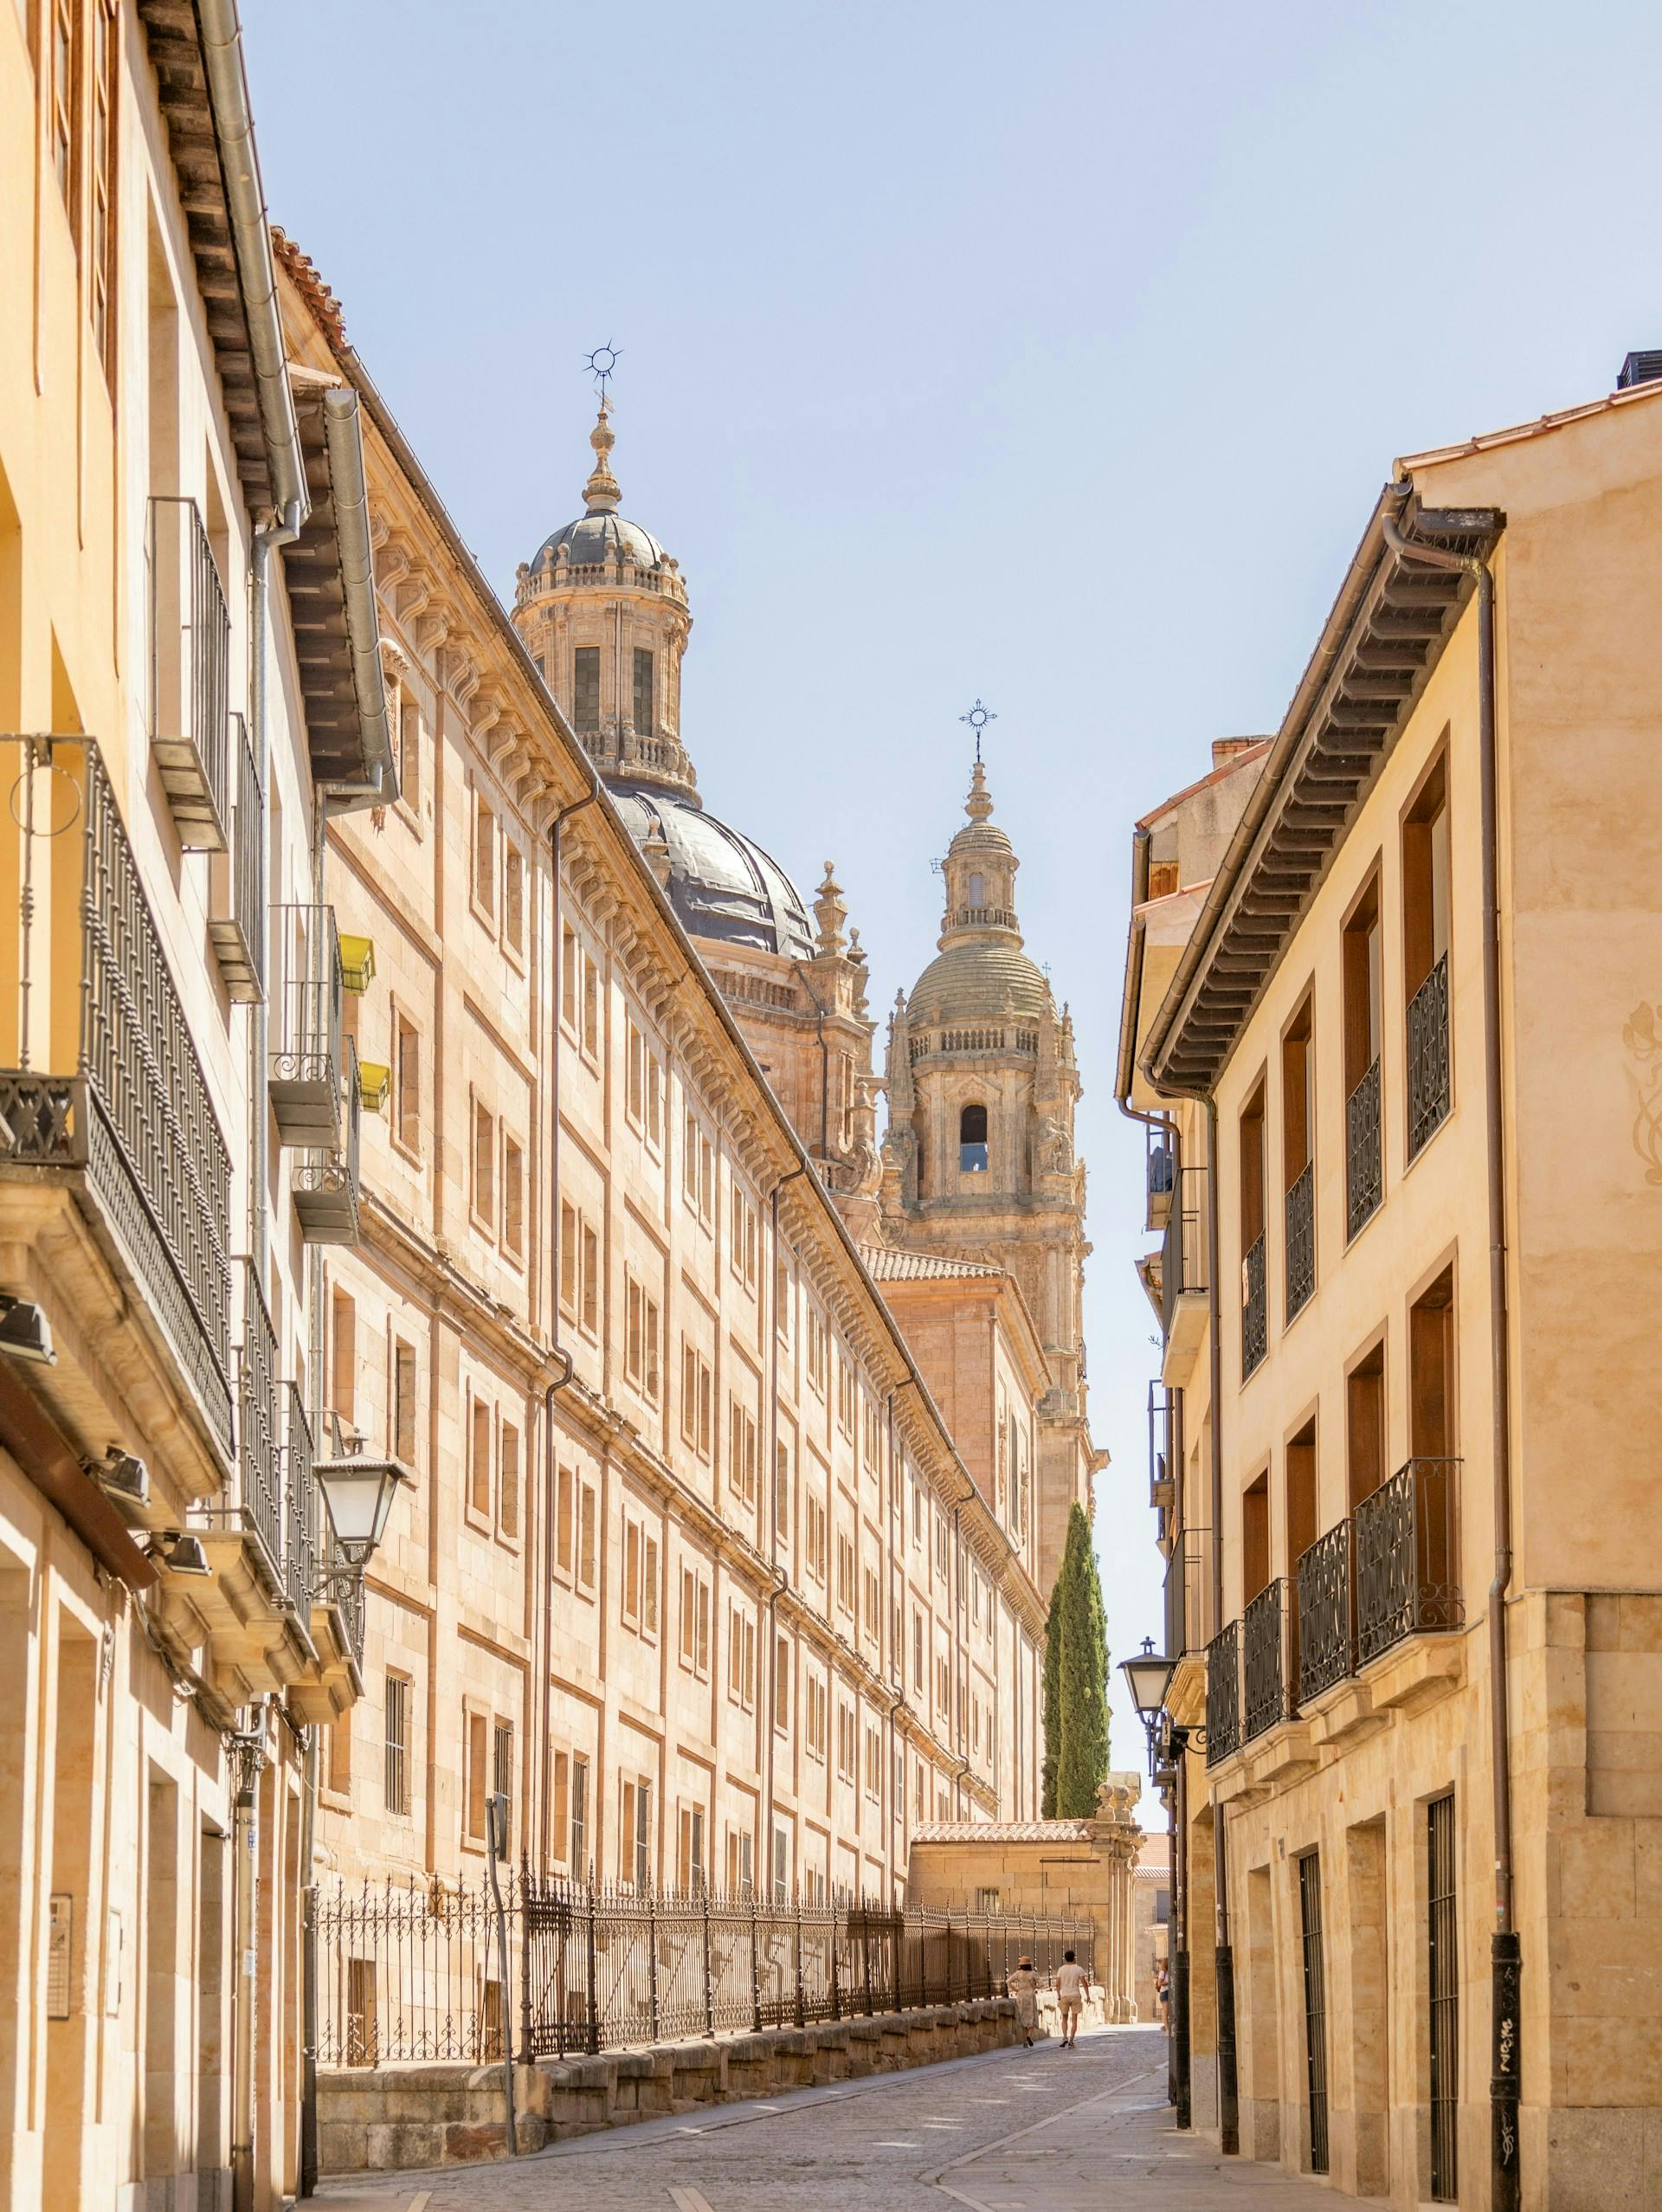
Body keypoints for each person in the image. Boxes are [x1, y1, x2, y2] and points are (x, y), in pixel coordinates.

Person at [1054, 1949, 1088, 2048]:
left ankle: (1064, 2037)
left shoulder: (1061, 1969)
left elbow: (1057, 1984)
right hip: (1075, 1995)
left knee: (1064, 2018)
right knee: (1074, 2019)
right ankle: (1071, 2040)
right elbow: (1084, 1984)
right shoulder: (1079, 1969)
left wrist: (1059, 1996)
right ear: (1074, 1958)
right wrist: (1088, 1996)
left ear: (1065, 1959)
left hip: (1064, 1995)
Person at [1006, 1955, 1039, 2047]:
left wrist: (1016, 1990)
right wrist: (1035, 1986)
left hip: (1021, 1996)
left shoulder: (1018, 1973)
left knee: (1023, 2017)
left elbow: (1008, 1981)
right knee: (1032, 2017)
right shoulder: (1033, 1974)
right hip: (1030, 1995)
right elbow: (1041, 1984)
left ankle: (1025, 2041)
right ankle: (1029, 2036)